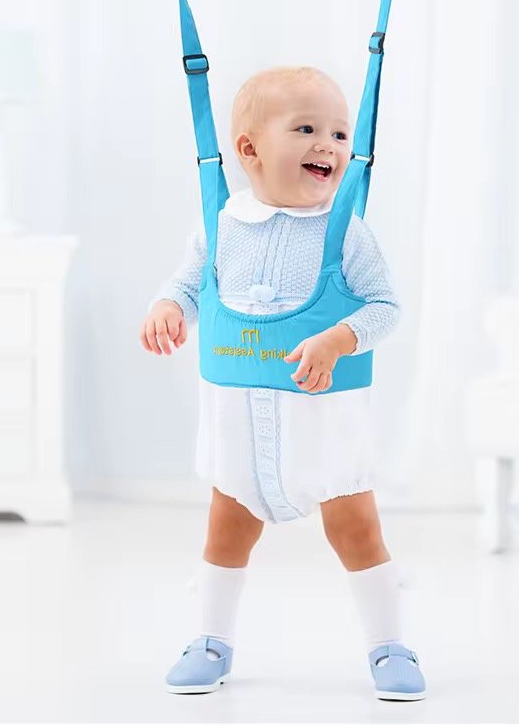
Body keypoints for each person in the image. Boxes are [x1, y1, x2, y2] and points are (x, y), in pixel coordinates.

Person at [140, 66, 425, 701]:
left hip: (321, 429)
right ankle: (210, 640)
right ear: (249, 149)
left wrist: (338, 338)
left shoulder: (345, 231)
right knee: (225, 530)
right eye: (306, 129)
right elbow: (189, 283)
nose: (329, 144)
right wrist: (168, 307)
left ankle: (389, 644)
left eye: (340, 133)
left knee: (357, 531)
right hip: (240, 426)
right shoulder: (220, 224)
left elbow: (384, 307)